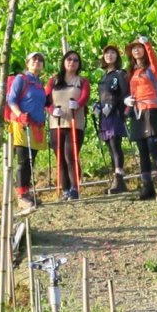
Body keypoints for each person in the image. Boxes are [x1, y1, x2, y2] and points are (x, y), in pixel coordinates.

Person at [124, 35, 157, 201]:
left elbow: (154, 58)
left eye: (138, 47)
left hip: (152, 111)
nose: (136, 50)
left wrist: (147, 43)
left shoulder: (152, 69)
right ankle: (147, 187)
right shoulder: (131, 72)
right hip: (138, 112)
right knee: (143, 151)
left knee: (154, 147)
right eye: (134, 48)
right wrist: (128, 101)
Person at [6, 51, 48, 214]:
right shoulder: (21, 79)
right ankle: (21, 195)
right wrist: (19, 114)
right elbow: (11, 99)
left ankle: (27, 191)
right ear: (27, 63)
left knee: (31, 160)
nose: (37, 62)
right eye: (34, 60)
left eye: (40, 60)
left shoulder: (38, 83)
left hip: (36, 126)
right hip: (22, 124)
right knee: (23, 161)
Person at [45, 50, 90, 201]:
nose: (72, 62)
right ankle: (65, 189)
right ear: (64, 62)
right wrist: (52, 110)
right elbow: (46, 100)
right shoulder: (53, 81)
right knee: (60, 158)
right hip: (56, 123)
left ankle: (75, 187)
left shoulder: (82, 81)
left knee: (70, 155)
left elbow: (85, 96)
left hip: (74, 123)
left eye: (76, 60)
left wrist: (77, 104)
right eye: (69, 59)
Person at [96, 44, 129, 194]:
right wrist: (98, 105)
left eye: (113, 53)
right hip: (104, 114)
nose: (109, 55)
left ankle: (119, 178)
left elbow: (123, 93)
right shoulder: (104, 76)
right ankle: (116, 180)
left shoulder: (120, 74)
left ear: (117, 56)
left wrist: (114, 105)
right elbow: (102, 95)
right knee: (110, 146)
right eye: (107, 53)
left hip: (114, 114)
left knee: (116, 145)